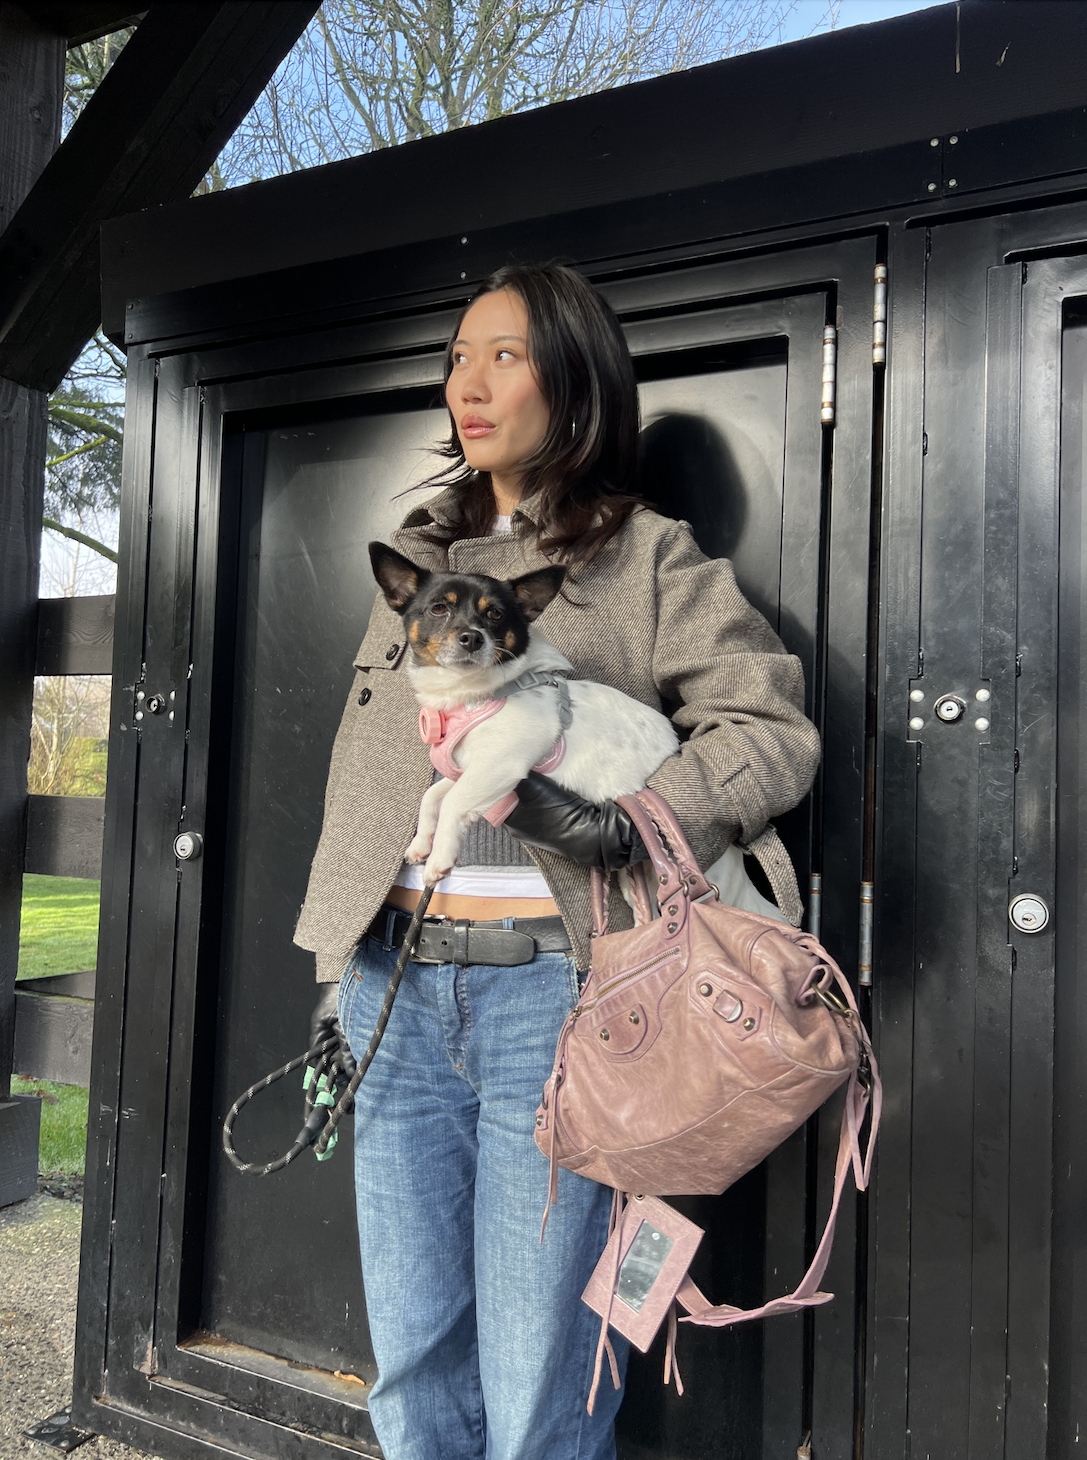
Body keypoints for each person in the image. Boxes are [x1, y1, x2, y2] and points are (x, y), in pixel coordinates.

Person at [294, 263, 820, 1460]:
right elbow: (369, 776)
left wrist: (633, 817)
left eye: (505, 355)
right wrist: (336, 964)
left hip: (560, 1000)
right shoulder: (414, 563)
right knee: (414, 1354)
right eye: (458, 357)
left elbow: (772, 728)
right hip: (392, 987)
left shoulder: (642, 557)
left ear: (576, 380)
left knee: (543, 1373)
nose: (468, 383)